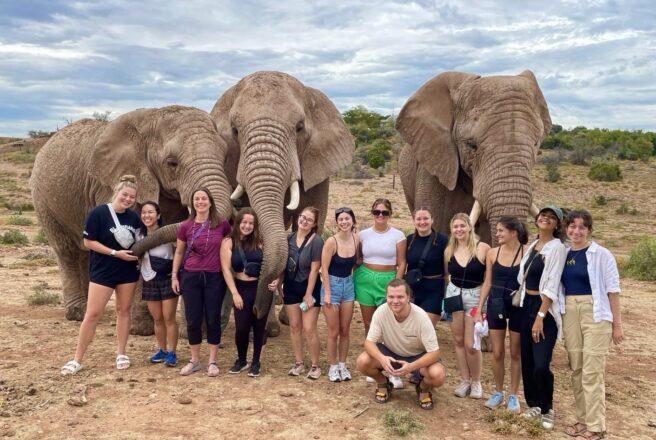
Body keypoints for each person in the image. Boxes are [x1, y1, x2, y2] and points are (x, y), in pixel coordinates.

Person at [60, 175, 141, 375]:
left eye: (132, 197)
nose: (128, 199)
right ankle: (77, 358)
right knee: (93, 313)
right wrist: (115, 253)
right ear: (117, 192)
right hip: (103, 271)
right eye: (125, 195)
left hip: (127, 272)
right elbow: (88, 242)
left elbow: (139, 241)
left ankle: (121, 353)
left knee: (124, 311)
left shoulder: (133, 218)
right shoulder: (99, 213)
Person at [560, 210, 623, 440]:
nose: (576, 231)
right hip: (570, 312)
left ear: (589, 230)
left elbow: (613, 290)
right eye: (572, 226)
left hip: (596, 314)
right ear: (566, 228)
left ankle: (597, 426)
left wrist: (617, 324)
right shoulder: (564, 253)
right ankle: (583, 419)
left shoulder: (602, 254)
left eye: (582, 227)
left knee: (592, 371)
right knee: (576, 368)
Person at [356, 279, 446, 410]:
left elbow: (435, 352)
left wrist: (411, 367)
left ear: (409, 297)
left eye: (400, 297)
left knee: (438, 375)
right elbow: (369, 343)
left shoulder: (421, 316)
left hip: (417, 357)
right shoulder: (381, 312)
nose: (395, 301)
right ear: (386, 297)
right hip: (391, 354)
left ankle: (423, 388)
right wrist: (382, 358)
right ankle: (383, 383)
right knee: (362, 362)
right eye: (391, 297)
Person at [517, 206, 567, 430]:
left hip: (543, 309)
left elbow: (552, 283)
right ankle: (533, 404)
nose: (545, 219)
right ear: (536, 219)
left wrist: (540, 315)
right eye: (543, 215)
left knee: (540, 363)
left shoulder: (557, 249)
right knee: (526, 358)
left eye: (551, 217)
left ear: (557, 225)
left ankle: (548, 408)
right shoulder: (533, 247)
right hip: (525, 305)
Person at [171, 188, 231, 377]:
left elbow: (231, 247)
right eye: (197, 199)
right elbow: (179, 252)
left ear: (210, 202)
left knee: (213, 317)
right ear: (192, 203)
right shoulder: (185, 226)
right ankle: (194, 360)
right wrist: (174, 275)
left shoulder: (222, 225)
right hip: (191, 276)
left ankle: (212, 361)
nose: (200, 202)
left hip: (214, 276)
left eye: (204, 198)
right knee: (193, 318)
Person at [475, 216, 527, 413]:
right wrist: (480, 307)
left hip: (517, 305)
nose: (497, 234)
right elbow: (487, 281)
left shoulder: (527, 252)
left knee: (515, 352)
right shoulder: (492, 253)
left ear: (513, 232)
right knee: (497, 352)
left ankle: (513, 394)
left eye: (500, 231)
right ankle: (498, 392)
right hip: (496, 303)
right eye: (496, 231)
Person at [354, 198, 406, 388]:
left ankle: (393, 367)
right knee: (369, 323)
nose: (380, 216)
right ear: (372, 214)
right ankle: (372, 363)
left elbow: (402, 262)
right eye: (377, 212)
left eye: (384, 212)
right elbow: (357, 257)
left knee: (390, 325)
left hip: (388, 280)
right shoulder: (363, 235)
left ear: (390, 214)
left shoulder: (398, 235)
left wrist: (396, 284)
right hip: (365, 279)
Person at [271, 207, 324, 379]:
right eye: (302, 217)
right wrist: (278, 282)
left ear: (314, 224)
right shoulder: (289, 238)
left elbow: (315, 269)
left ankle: (315, 365)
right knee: (294, 327)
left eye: (309, 219)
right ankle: (299, 362)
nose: (304, 221)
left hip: (310, 288)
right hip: (291, 287)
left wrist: (308, 295)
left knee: (309, 328)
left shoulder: (317, 241)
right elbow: (285, 265)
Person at [444, 213, 490, 399]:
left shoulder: (482, 248)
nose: (459, 230)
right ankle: (465, 380)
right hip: (455, 294)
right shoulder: (449, 250)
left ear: (470, 227)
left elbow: (488, 280)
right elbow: (448, 274)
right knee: (458, 340)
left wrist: (480, 308)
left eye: (462, 226)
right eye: (455, 227)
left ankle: (477, 381)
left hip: (475, 297)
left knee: (472, 343)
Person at [221, 208, 266, 377]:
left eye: (251, 223)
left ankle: (256, 362)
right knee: (241, 328)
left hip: (260, 289)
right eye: (244, 222)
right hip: (241, 288)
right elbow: (226, 270)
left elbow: (270, 264)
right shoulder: (228, 242)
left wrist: (275, 280)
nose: (247, 226)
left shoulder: (260, 241)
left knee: (259, 327)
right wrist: (234, 293)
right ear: (238, 223)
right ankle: (241, 360)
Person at [320, 207, 359, 382]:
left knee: (345, 330)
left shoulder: (356, 239)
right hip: (332, 287)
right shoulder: (331, 242)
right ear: (337, 222)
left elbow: (358, 262)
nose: (344, 222)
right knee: (333, 331)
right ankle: (333, 366)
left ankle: (343, 365)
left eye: (347, 219)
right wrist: (327, 293)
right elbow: (324, 269)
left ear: (353, 221)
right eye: (341, 219)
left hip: (348, 286)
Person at [138, 201, 178, 367]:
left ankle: (172, 352)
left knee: (169, 317)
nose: (147, 215)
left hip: (167, 278)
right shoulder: (138, 236)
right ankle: (162, 350)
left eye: (151, 212)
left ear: (158, 215)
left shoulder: (168, 234)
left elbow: (180, 251)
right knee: (157, 318)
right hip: (148, 280)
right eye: (144, 212)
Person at [405, 207, 448, 325]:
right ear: (414, 221)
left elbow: (447, 269)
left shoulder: (443, 240)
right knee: (410, 327)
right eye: (418, 219)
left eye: (426, 218)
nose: (422, 222)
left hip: (434, 290)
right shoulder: (409, 240)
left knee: (426, 327)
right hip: (412, 289)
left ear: (432, 220)